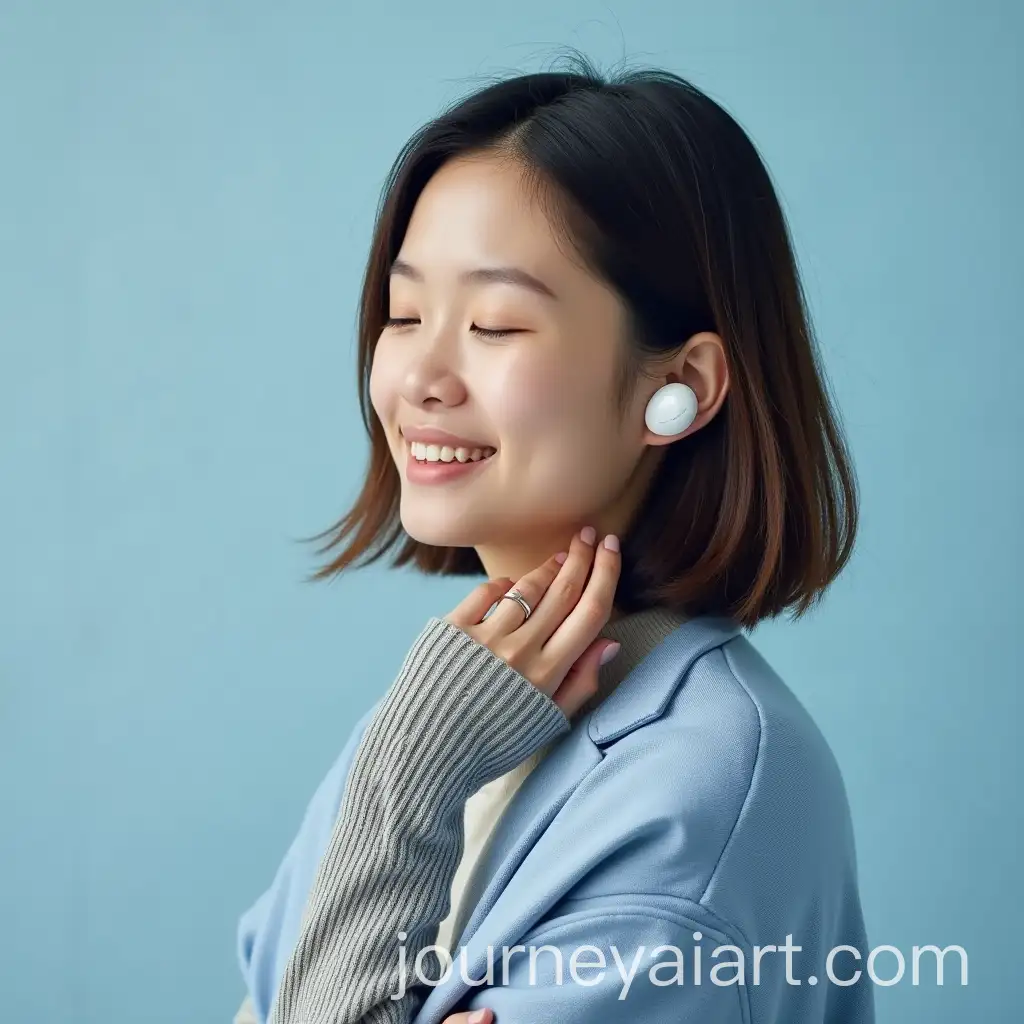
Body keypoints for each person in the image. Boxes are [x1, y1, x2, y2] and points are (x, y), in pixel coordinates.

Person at [234, 54, 873, 1024]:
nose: (417, 377)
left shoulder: (687, 812)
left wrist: (402, 794)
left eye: (494, 324)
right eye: (405, 314)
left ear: (685, 386)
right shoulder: (444, 718)